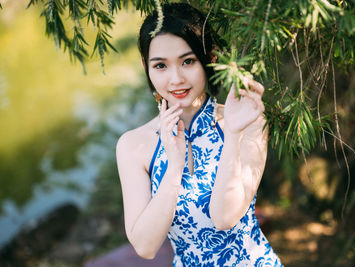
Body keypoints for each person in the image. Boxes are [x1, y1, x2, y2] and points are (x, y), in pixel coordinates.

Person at [116, 3, 282, 266]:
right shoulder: (134, 145)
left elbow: (224, 217)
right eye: (161, 66)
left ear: (211, 57)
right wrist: (173, 165)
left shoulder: (247, 121)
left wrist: (234, 134)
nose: (176, 79)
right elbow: (145, 246)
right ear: (145, 66)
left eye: (188, 61)